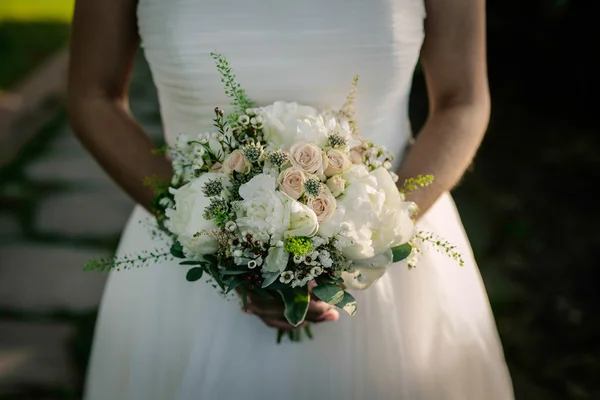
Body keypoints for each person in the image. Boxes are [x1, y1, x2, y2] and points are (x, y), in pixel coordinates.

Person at [68, 0, 514, 398]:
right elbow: (94, 94)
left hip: (390, 265)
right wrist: (210, 235)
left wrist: (372, 236)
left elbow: (462, 100)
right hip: (188, 262)